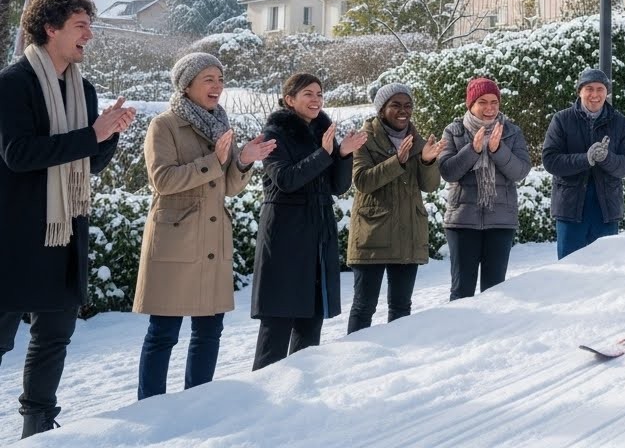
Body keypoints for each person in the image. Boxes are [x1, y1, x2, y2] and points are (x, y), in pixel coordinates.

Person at [0, 0, 135, 438]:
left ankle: (38, 428)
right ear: (50, 29)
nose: (90, 35)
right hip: (14, 235)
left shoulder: (85, 89)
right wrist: (90, 134)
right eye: (81, 26)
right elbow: (17, 155)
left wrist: (108, 134)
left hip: (63, 234)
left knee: (54, 337)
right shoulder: (12, 84)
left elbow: (88, 163)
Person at [134, 53, 275, 399]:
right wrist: (215, 160)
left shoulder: (222, 125)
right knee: (164, 331)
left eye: (221, 79)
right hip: (176, 240)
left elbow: (226, 186)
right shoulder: (164, 125)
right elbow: (162, 180)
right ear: (187, 85)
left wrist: (243, 160)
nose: (217, 86)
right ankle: (149, 405)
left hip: (212, 239)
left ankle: (198, 401)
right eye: (208, 78)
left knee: (210, 329)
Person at [251, 73, 365, 370]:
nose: (316, 100)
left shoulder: (323, 130)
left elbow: (337, 187)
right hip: (285, 237)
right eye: (308, 94)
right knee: (277, 322)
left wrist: (342, 154)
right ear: (289, 100)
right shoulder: (275, 134)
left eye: (319, 94)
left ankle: (298, 393)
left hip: (317, 235)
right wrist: (325, 153)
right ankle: (259, 396)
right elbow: (286, 180)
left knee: (310, 320)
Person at [346, 83, 446, 333]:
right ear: (381, 110)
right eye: (396, 105)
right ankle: (351, 360)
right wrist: (397, 161)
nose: (403, 110)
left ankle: (394, 362)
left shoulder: (418, 141)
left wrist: (427, 161)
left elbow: (430, 186)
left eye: (408, 105)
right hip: (372, 235)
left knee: (401, 307)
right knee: (363, 307)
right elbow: (362, 181)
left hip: (407, 235)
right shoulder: (364, 140)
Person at [438, 77, 531, 300]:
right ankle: (458, 334)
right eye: (482, 102)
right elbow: (448, 171)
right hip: (462, 222)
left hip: (500, 222)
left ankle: (490, 335)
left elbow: (520, 171)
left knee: (495, 292)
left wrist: (498, 150)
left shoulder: (511, 132)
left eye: (494, 102)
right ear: (470, 104)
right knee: (461, 291)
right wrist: (473, 150)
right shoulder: (454, 131)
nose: (489, 108)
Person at [542, 67, 625, 259]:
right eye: (589, 89)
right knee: (570, 270)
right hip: (570, 209)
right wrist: (585, 159)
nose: (595, 95)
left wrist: (607, 158)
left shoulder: (618, 122)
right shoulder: (562, 119)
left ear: (606, 92)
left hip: (606, 211)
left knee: (605, 269)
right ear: (580, 91)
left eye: (600, 89)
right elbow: (550, 160)